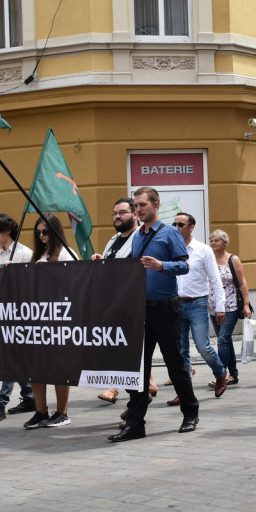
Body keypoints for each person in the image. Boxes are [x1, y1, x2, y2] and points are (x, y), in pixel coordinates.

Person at [108, 186, 198, 442]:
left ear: (155, 205)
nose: (138, 210)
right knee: (138, 368)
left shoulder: (169, 233)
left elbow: (184, 266)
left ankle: (190, 412)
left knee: (175, 365)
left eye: (142, 205)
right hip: (141, 310)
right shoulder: (137, 236)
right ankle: (136, 424)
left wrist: (162, 266)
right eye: (135, 206)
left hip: (167, 309)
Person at [90, 197, 148, 405]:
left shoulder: (140, 238)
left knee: (126, 349)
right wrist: (101, 261)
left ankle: (117, 389)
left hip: (133, 303)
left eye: (122, 212)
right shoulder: (113, 240)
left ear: (134, 214)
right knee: (124, 348)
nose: (117, 216)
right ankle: (144, 387)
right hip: (114, 302)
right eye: (114, 213)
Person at [21, 214, 75, 430]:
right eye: (38, 232)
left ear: (55, 231)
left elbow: (73, 283)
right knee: (37, 368)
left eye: (45, 231)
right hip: (36, 318)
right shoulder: (37, 255)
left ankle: (62, 412)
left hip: (58, 318)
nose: (41, 236)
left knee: (59, 368)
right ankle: (40, 411)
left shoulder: (65, 254)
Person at [169, 213, 228, 403]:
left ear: (191, 227)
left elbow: (215, 279)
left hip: (197, 303)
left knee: (203, 346)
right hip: (176, 304)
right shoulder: (170, 250)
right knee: (181, 351)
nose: (176, 227)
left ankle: (220, 372)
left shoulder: (203, 250)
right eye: (174, 224)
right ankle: (184, 392)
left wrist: (220, 306)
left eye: (181, 224)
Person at [0, 213, 35, 423]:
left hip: (21, 314)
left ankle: (0, 402)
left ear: (7, 231)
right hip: (3, 312)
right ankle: (29, 395)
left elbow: (31, 285)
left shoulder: (24, 253)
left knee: (11, 358)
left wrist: (16, 273)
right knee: (16, 358)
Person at [207, 229, 250, 389]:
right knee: (226, 340)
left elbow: (243, 282)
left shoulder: (233, 259)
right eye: (212, 240)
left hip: (230, 305)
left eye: (217, 240)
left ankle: (221, 375)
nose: (213, 243)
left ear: (224, 243)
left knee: (223, 339)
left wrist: (246, 304)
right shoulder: (209, 259)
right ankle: (234, 374)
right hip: (213, 306)